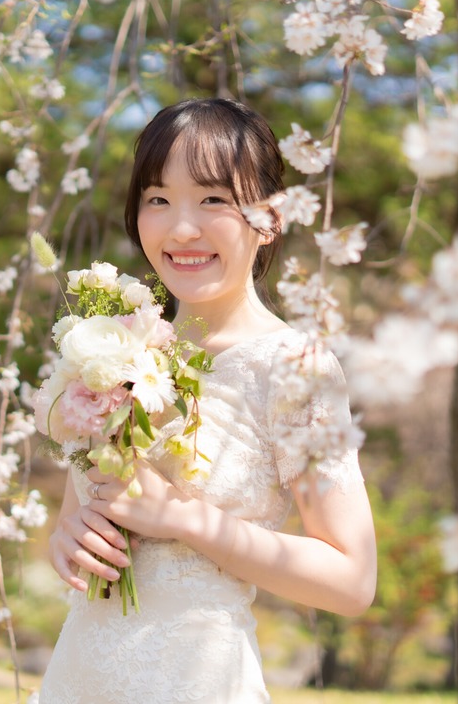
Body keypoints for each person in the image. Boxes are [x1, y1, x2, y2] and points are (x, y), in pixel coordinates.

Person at [37, 98, 377, 702]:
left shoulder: (294, 367)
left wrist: (181, 520)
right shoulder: (114, 349)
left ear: (270, 217)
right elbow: (81, 518)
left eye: (213, 200)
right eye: (158, 199)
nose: (181, 228)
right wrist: (67, 540)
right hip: (80, 676)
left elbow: (352, 580)